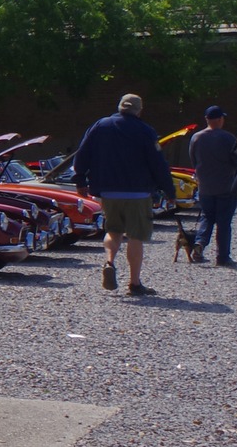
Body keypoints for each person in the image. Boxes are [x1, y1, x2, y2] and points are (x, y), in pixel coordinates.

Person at [72, 93, 175, 297]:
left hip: (108, 191)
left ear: (120, 107)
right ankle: (135, 283)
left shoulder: (100, 126)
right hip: (138, 192)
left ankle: (109, 261)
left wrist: (81, 181)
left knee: (113, 230)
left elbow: (82, 154)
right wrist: (169, 190)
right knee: (136, 235)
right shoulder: (145, 131)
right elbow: (157, 163)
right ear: (139, 110)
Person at [188, 105, 237, 267]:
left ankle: (200, 243)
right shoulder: (227, 138)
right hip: (225, 185)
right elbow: (236, 159)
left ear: (206, 119)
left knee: (207, 217)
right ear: (219, 119)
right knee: (224, 222)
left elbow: (193, 160)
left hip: (205, 186)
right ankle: (223, 257)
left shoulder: (196, 138)